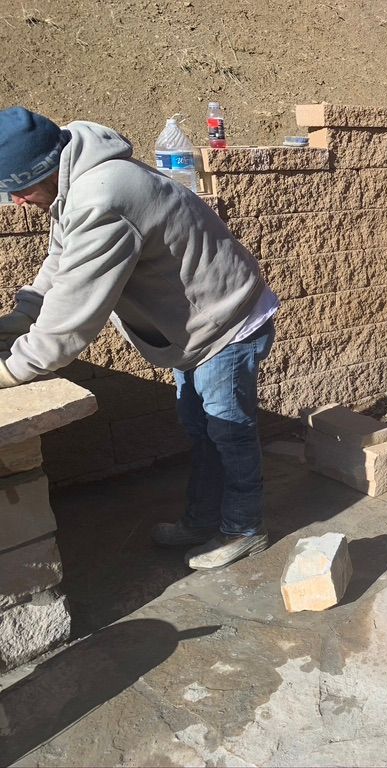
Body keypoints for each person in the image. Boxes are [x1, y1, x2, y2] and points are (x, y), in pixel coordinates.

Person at [0, 107, 279, 570]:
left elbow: (73, 314)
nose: (16, 202)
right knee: (202, 430)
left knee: (228, 434)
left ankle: (244, 529)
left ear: (44, 170)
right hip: (193, 326)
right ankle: (203, 520)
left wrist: (11, 370)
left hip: (226, 321)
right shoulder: (73, 178)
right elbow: (61, 263)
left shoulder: (101, 196)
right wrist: (19, 319)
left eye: (19, 189)